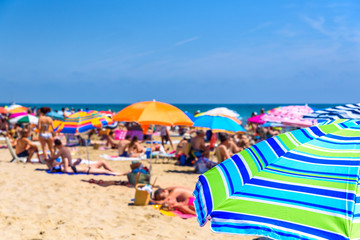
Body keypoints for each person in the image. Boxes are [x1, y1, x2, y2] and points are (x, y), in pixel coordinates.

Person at [48, 139, 123, 175]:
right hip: (87, 170)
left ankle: (114, 172)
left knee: (103, 162)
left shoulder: (65, 166)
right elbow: (65, 161)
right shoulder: (66, 169)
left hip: (87, 166)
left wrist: (61, 162)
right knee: (105, 171)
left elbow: (63, 160)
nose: (56, 163)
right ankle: (118, 173)